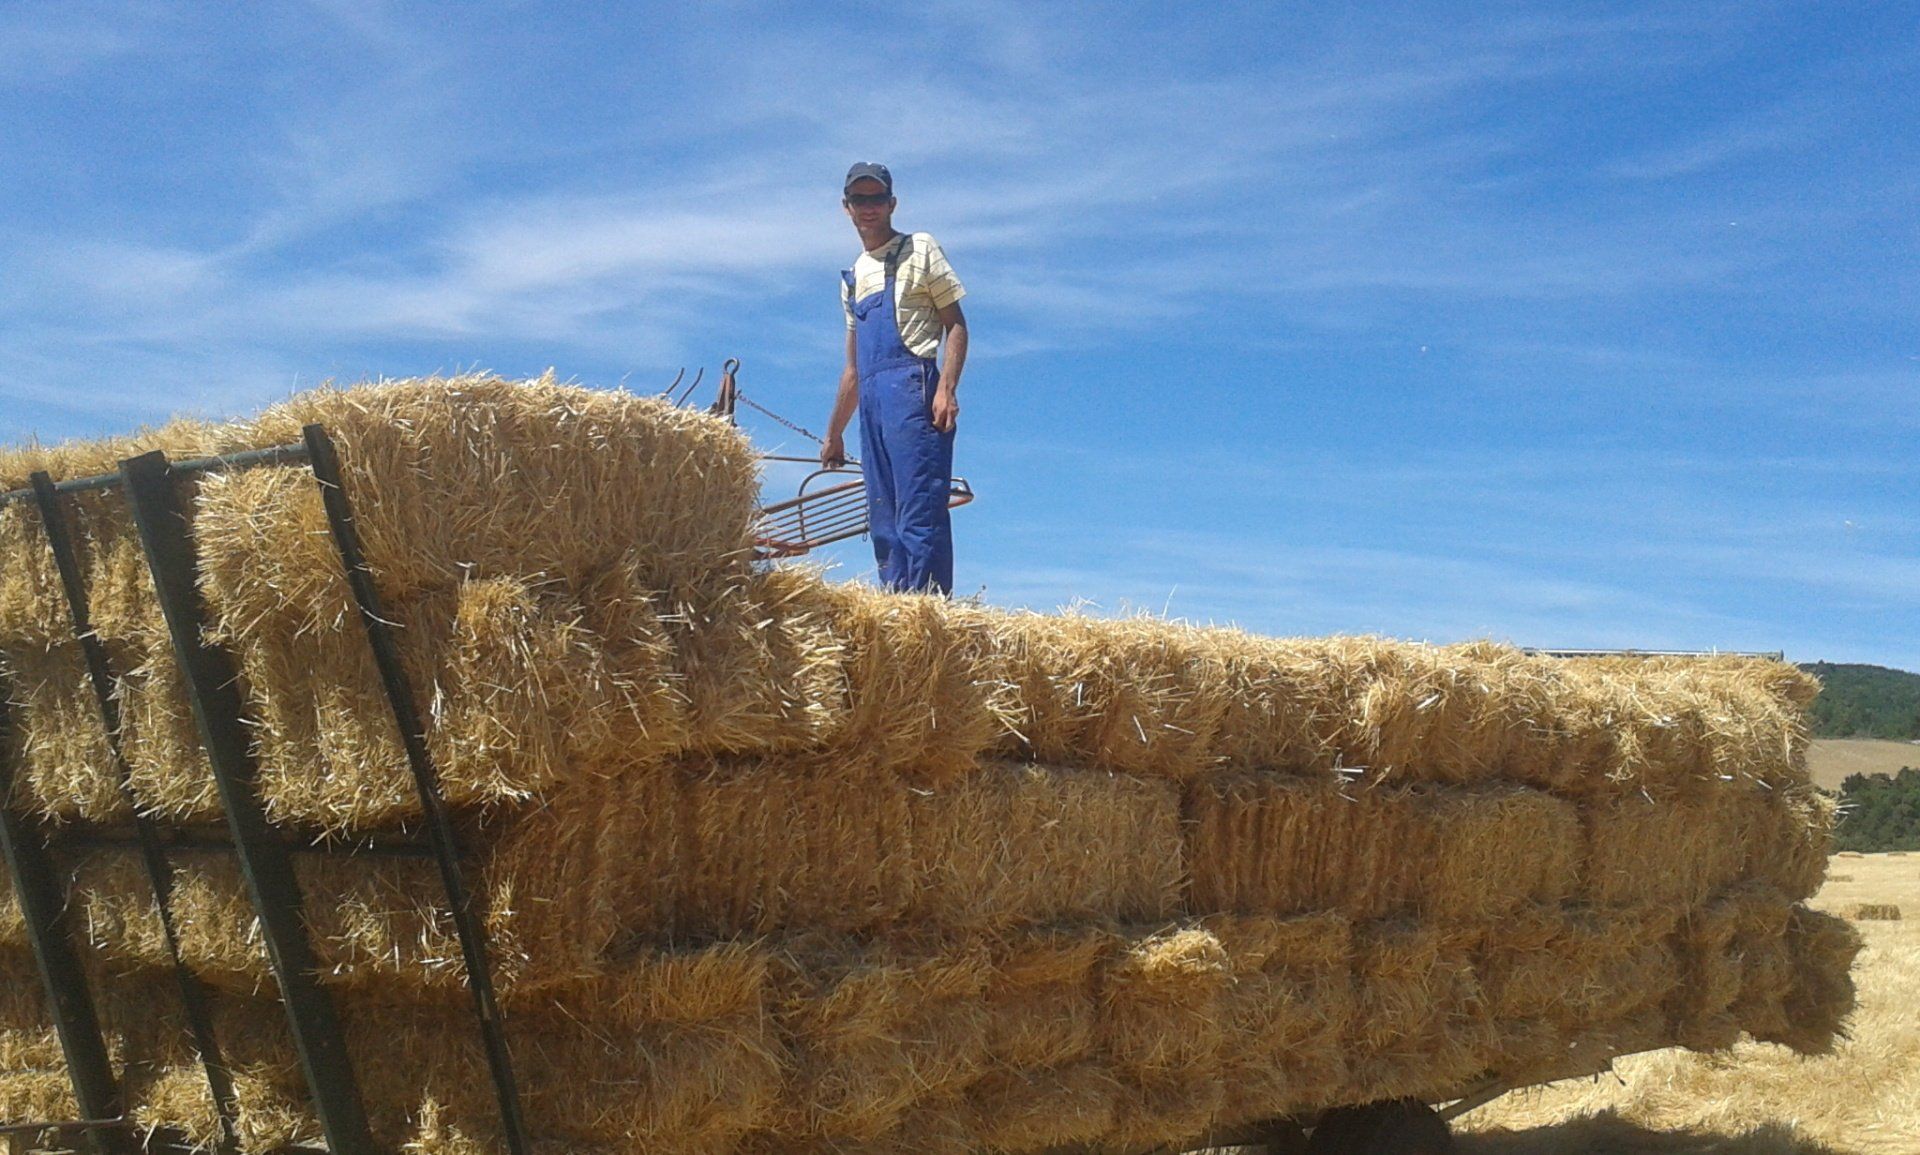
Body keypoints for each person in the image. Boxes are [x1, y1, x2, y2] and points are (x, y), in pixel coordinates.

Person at [821, 161, 968, 595]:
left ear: (892, 203)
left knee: (918, 514)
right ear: (847, 208)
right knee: (883, 518)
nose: (869, 207)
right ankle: (894, 611)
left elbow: (955, 325)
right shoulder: (854, 277)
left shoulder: (919, 248)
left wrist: (947, 389)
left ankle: (927, 615)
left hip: (913, 391)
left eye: (877, 199)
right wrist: (834, 434)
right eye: (859, 199)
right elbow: (853, 369)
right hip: (872, 405)